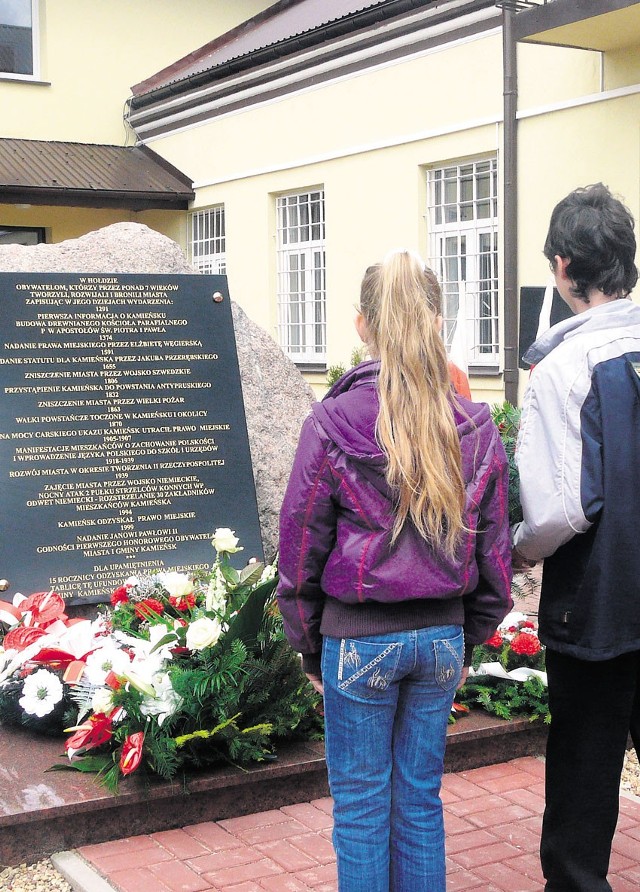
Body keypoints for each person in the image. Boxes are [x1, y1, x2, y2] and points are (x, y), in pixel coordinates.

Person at [277, 249, 513, 892]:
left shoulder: (333, 420)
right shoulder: (474, 421)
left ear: (361, 325)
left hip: (358, 638)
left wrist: (308, 645)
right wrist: (469, 634)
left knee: (359, 810)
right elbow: (494, 551)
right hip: (439, 633)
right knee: (419, 802)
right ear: (436, 322)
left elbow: (300, 547)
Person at [511, 183, 640, 892]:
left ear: (563, 266)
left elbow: (563, 509)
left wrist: (517, 546)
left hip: (598, 602)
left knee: (585, 784)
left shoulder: (564, 369)